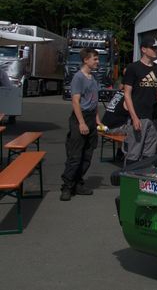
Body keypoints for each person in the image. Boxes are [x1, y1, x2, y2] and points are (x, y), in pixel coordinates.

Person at [60, 48, 103, 201]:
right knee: (75, 155)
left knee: (87, 154)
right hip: (81, 118)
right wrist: (82, 123)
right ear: (86, 60)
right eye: (95, 59)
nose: (97, 62)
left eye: (97, 59)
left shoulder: (93, 78)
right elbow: (76, 101)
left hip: (91, 117)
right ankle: (67, 187)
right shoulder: (78, 77)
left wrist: (97, 119)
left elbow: (94, 101)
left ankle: (78, 183)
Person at [123, 37, 157, 162]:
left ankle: (146, 180)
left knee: (150, 153)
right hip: (138, 116)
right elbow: (127, 94)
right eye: (153, 47)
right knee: (133, 153)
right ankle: (130, 179)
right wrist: (134, 117)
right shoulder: (133, 68)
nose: (156, 50)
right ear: (143, 49)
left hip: (153, 118)